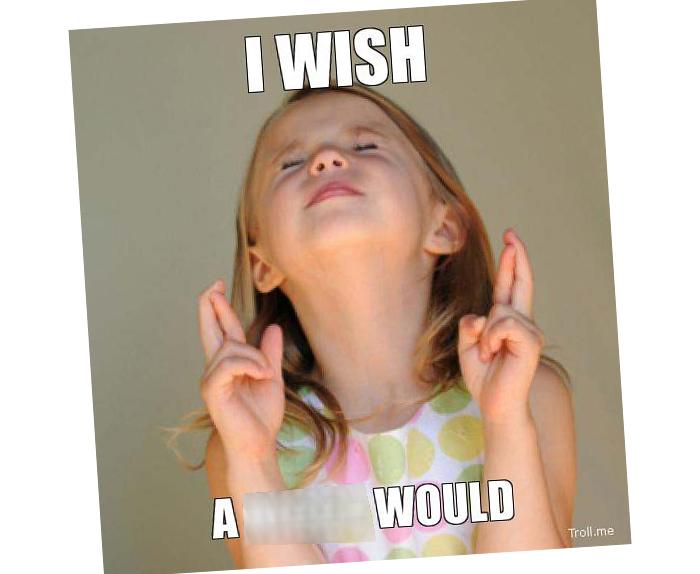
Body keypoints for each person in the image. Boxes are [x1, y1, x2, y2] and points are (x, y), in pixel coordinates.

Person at [191, 84, 576, 567]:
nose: (326, 159)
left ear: (443, 227)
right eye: (291, 163)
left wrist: (504, 422)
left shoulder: (529, 395)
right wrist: (252, 461)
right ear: (262, 265)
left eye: (365, 145)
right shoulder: (241, 446)